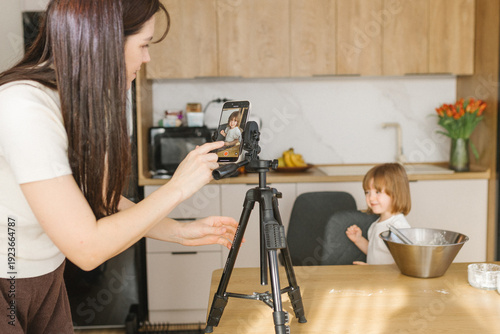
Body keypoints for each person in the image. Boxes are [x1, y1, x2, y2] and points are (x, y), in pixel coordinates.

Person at [0, 1, 238, 332]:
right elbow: (87, 248)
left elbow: (101, 201)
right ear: (105, 43)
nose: (146, 59)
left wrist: (181, 232)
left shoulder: (68, 101)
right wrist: (178, 187)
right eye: (143, 45)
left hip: (43, 276)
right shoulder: (24, 108)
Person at [346, 163, 411, 265]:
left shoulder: (399, 227)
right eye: (367, 192)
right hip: (376, 278)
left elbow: (404, 264)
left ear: (396, 193)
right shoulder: (376, 224)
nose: (371, 198)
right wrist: (359, 240)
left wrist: (371, 271)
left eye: (378, 192)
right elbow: (375, 253)